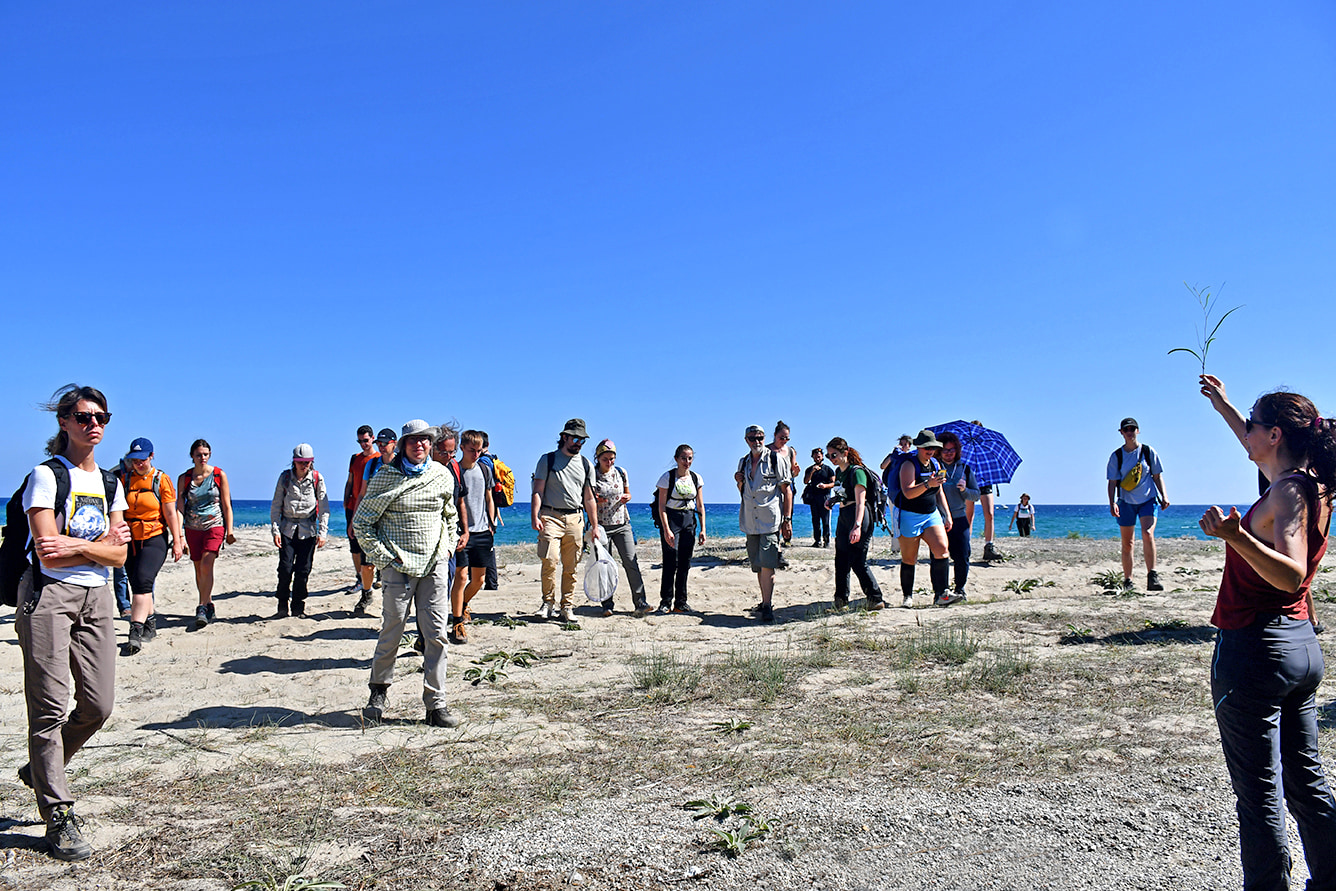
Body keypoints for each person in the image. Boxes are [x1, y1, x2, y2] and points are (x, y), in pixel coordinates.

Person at [1198, 376, 1336, 888]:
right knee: (1305, 781)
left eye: (1254, 427)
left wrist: (1236, 538)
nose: (1247, 436)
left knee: (1258, 795)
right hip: (1298, 646)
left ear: (1275, 434)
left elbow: (1292, 573)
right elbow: (1254, 447)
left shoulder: (1289, 492)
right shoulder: (1307, 481)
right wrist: (1226, 407)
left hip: (1257, 648)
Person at [16, 385, 129, 861]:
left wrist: (80, 547)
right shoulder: (46, 477)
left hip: (98, 596)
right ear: (64, 421)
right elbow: (47, 551)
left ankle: (41, 769)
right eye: (84, 417)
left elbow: (121, 553)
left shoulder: (110, 483)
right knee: (48, 707)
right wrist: (97, 543)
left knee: (98, 705)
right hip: (49, 595)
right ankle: (57, 816)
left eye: (102, 416)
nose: (94, 425)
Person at [352, 420, 460, 728]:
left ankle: (436, 704)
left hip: (435, 565)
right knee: (392, 630)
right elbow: (363, 524)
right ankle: (378, 693)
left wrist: (449, 547)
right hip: (397, 567)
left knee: (437, 635)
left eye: (425, 440)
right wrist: (383, 558)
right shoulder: (385, 477)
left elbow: (449, 516)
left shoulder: (442, 475)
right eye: (413, 440)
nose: (420, 445)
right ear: (403, 444)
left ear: (431, 443)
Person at [117, 437, 184, 655]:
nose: (138, 463)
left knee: (143, 581)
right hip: (131, 539)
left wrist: (177, 540)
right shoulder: (124, 479)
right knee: (137, 579)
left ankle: (135, 630)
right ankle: (150, 624)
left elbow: (170, 513)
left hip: (155, 536)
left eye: (142, 459)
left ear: (151, 456)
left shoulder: (161, 480)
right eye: (134, 460)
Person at [531, 419, 601, 623]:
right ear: (564, 437)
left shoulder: (587, 464)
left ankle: (567, 606)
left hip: (575, 518)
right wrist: (535, 516)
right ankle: (548, 603)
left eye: (582, 440)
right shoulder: (548, 460)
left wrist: (595, 526)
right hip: (550, 516)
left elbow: (589, 498)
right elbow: (538, 490)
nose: (579, 443)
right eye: (576, 438)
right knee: (550, 560)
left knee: (571, 566)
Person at [176, 439, 235, 629]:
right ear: (192, 456)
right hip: (192, 528)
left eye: (205, 454)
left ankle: (201, 606)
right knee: (199, 567)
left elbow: (226, 504)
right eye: (198, 454)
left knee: (207, 563)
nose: (202, 458)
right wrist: (179, 535)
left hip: (214, 526)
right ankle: (208, 603)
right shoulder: (184, 478)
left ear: (209, 455)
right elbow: (180, 507)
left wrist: (230, 530)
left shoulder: (218, 475)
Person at [895, 430, 958, 608]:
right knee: (909, 558)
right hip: (909, 515)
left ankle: (942, 594)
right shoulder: (909, 465)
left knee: (942, 549)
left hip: (931, 514)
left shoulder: (936, 464)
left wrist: (947, 514)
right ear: (919, 447)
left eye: (933, 447)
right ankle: (907, 596)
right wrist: (927, 484)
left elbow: (939, 491)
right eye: (926, 447)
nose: (930, 451)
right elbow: (907, 492)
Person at [1106, 416, 1169, 591]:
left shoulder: (1148, 452)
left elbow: (1157, 476)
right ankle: (1128, 580)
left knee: (1148, 534)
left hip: (1148, 500)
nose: (1129, 433)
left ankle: (1152, 576)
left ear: (1138, 431)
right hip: (1126, 502)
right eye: (1126, 430)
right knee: (1128, 543)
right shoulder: (1116, 456)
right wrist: (1112, 503)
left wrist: (1164, 496)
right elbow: (1112, 482)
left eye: (1132, 429)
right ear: (1121, 433)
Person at [737, 425, 791, 623]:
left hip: (770, 521)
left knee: (768, 564)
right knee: (758, 565)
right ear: (746, 440)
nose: (756, 441)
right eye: (752, 438)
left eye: (759, 437)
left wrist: (787, 520)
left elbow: (787, 491)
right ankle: (764, 600)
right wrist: (739, 482)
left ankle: (768, 605)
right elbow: (743, 493)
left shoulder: (776, 459)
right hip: (750, 521)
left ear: (764, 438)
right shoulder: (743, 462)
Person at [270, 444, 330, 618]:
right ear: (294, 462)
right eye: (300, 462)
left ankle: (298, 606)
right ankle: (282, 604)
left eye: (307, 462)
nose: (304, 466)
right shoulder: (285, 478)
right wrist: (275, 531)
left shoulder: (317, 478)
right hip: (287, 530)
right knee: (285, 569)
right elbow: (276, 505)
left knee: (303, 570)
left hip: (308, 530)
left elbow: (324, 508)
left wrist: (323, 532)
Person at [591, 439, 650, 617]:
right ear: (598, 458)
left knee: (631, 562)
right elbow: (585, 497)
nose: (609, 462)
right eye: (605, 459)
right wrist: (595, 499)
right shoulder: (591, 474)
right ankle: (607, 604)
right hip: (601, 526)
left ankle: (641, 602)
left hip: (622, 524)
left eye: (612, 459)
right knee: (604, 566)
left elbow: (628, 492)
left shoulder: (621, 472)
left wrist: (627, 497)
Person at [825, 438, 885, 611]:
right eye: (829, 456)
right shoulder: (839, 471)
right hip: (844, 515)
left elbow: (860, 501)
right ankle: (840, 599)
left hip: (859, 516)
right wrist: (832, 500)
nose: (832, 458)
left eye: (834, 455)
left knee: (858, 560)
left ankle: (875, 598)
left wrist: (857, 526)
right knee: (841, 559)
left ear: (845, 453)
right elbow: (844, 494)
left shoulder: (857, 472)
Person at [448, 430, 497, 643]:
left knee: (479, 580)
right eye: (471, 450)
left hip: (483, 531)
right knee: (460, 577)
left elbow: (489, 497)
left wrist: (492, 523)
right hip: (461, 534)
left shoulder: (485, 469)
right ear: (462, 448)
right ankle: (457, 622)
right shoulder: (454, 470)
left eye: (479, 450)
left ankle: (464, 605)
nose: (476, 454)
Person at [656, 444, 705, 615]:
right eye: (683, 458)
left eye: (690, 458)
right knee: (670, 561)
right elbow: (661, 506)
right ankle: (665, 601)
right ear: (676, 459)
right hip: (672, 519)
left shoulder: (696, 478)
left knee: (685, 563)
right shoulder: (667, 478)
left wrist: (703, 529)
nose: (687, 461)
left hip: (689, 521)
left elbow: (700, 505)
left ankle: (681, 602)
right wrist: (667, 529)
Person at [937, 432, 980, 601]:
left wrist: (964, 490)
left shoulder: (965, 469)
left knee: (962, 554)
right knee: (940, 556)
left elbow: (976, 495)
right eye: (945, 450)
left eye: (952, 450)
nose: (948, 453)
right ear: (939, 451)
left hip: (959, 518)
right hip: (938, 520)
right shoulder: (934, 467)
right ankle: (941, 591)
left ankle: (960, 588)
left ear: (957, 450)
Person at [343, 425, 377, 602]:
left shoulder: (378, 459)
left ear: (372, 439)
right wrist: (345, 499)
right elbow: (350, 481)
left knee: (370, 547)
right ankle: (359, 578)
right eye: (360, 441)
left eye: (365, 440)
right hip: (352, 506)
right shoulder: (354, 458)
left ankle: (372, 578)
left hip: (370, 509)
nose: (363, 444)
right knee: (354, 545)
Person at [802, 448, 836, 548]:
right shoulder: (809, 469)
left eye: (819, 455)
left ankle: (827, 540)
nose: (817, 457)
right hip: (814, 497)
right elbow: (805, 481)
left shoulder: (828, 469)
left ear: (822, 456)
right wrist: (812, 471)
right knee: (815, 520)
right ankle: (817, 540)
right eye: (815, 455)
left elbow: (834, 483)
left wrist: (825, 486)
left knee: (826, 520)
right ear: (812, 457)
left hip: (825, 497)